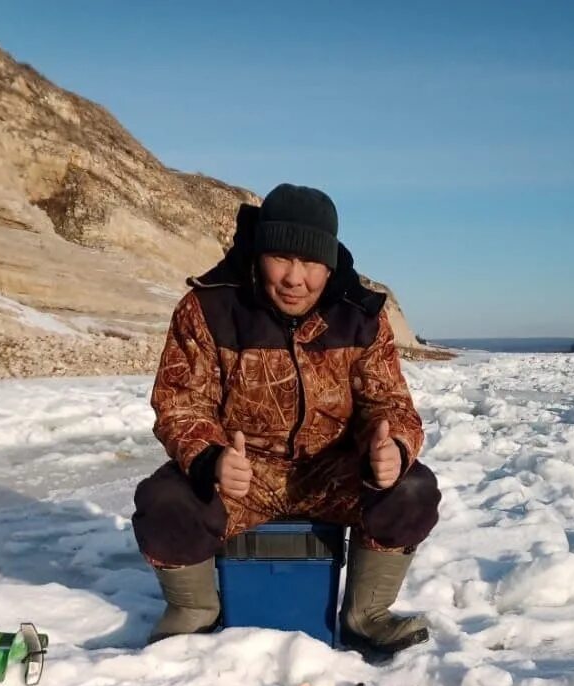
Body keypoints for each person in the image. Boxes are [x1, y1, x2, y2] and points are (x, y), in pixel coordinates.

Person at [132, 182, 441, 658]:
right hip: (241, 479)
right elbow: (180, 403)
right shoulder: (209, 308)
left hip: (330, 474)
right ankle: (194, 612)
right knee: (164, 499)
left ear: (331, 262)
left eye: (312, 263)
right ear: (258, 255)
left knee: (413, 488)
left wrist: (393, 448)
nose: (296, 277)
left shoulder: (360, 317)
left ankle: (366, 616)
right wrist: (211, 458)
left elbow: (390, 404)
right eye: (281, 258)